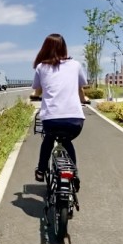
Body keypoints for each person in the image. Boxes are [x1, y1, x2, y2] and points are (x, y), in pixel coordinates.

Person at [31, 33, 88, 189]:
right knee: (67, 140)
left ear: (45, 49)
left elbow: (38, 90)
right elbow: (80, 89)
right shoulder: (75, 65)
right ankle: (74, 174)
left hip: (51, 120)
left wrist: (35, 96)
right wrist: (84, 100)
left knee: (49, 138)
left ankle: (41, 170)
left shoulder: (41, 67)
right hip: (75, 121)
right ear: (64, 48)